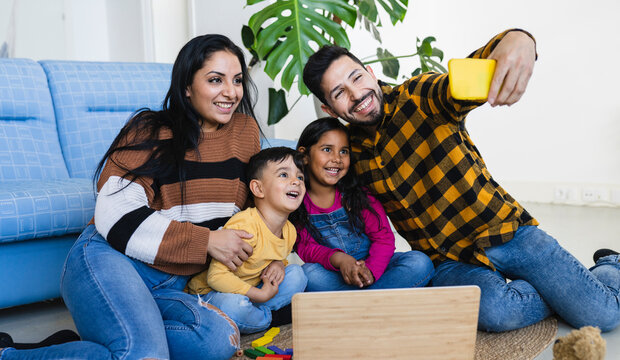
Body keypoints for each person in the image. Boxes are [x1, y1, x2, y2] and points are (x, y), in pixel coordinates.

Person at [301, 29, 620, 332]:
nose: (357, 94)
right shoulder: (349, 153)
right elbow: (308, 178)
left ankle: (609, 267)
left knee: (603, 315)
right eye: (340, 92)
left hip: (505, 233)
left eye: (356, 77)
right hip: (449, 262)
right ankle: (569, 291)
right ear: (329, 108)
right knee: (496, 312)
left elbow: (470, 73)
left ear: (370, 73)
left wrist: (518, 38)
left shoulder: (418, 96)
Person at [1, 34, 261, 360]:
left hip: (172, 283)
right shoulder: (149, 129)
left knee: (219, 341)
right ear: (186, 87)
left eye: (237, 80)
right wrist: (207, 241)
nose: (231, 92)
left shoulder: (245, 132)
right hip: (111, 259)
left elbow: (257, 205)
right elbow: (115, 211)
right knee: (143, 355)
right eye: (215, 80)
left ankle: (79, 345)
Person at [291, 117, 434, 291]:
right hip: (335, 272)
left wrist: (371, 272)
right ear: (304, 156)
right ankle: (377, 302)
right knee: (309, 274)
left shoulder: (358, 195)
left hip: (376, 268)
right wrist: (341, 260)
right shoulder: (296, 202)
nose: (337, 158)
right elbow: (307, 248)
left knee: (420, 262)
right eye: (327, 149)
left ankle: (362, 302)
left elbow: (384, 239)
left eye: (344, 151)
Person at [187, 146, 308, 334]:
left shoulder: (290, 231)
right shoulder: (245, 226)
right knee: (234, 306)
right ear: (258, 188)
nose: (296, 182)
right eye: (284, 175)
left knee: (297, 275)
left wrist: (279, 264)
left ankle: (254, 317)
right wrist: (258, 294)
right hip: (210, 293)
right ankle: (269, 317)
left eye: (300, 177)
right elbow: (216, 277)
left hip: (252, 289)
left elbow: (274, 255)